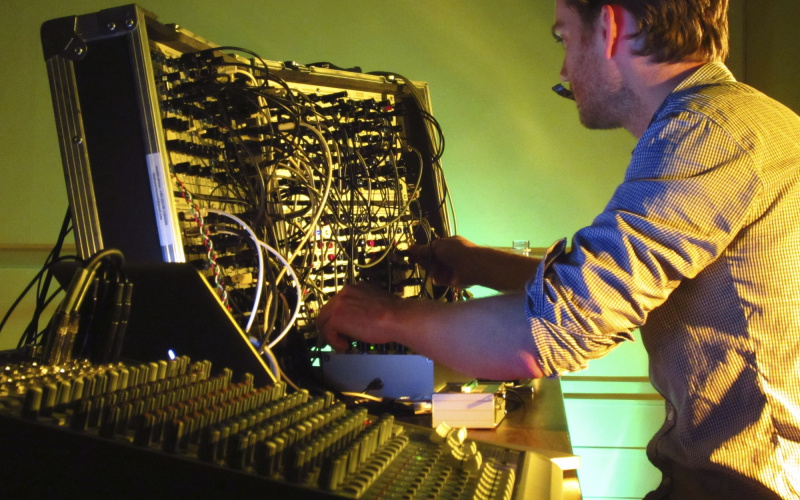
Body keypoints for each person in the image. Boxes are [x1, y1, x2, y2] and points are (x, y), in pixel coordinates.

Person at [317, 0, 800, 498]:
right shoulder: (746, 120)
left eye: (563, 38)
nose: (564, 69)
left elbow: (557, 325)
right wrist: (479, 263)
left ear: (609, 26)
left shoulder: (708, 131)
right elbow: (610, 287)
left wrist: (387, 316)